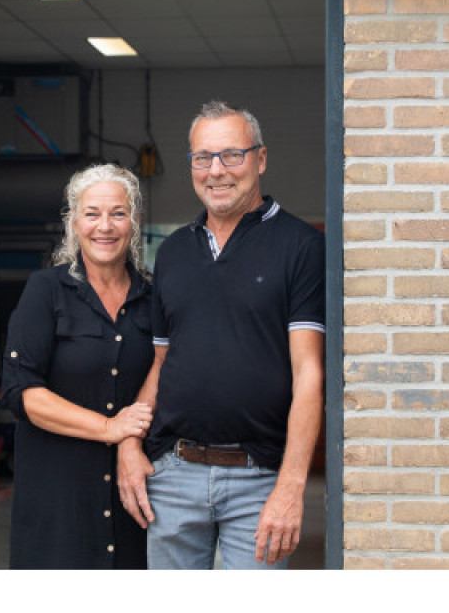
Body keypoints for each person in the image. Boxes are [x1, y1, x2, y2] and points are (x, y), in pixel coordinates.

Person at [118, 100, 324, 569]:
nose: (216, 171)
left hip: (258, 480)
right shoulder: (174, 251)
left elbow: (309, 373)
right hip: (172, 476)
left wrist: (291, 486)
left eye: (232, 155)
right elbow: (162, 364)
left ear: (260, 159)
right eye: (202, 157)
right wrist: (129, 444)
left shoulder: (301, 246)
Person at [0, 162, 154, 569]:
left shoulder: (153, 298)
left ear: (135, 221)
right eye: (92, 214)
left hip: (134, 499)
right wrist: (109, 428)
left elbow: (165, 372)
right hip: (58, 502)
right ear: (73, 222)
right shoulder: (45, 291)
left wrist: (129, 440)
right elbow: (22, 393)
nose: (105, 226)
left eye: (118, 213)